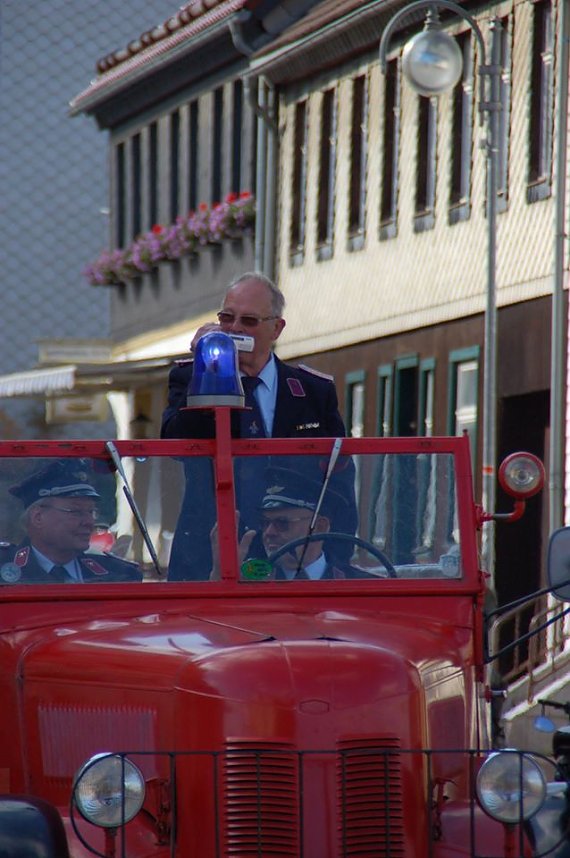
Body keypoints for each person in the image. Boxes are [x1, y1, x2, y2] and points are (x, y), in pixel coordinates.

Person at [161, 271, 356, 580]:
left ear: (276, 329)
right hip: (211, 553)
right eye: (227, 318)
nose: (234, 329)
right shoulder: (190, 377)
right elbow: (175, 443)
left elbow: (339, 476)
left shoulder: (312, 390)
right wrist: (209, 373)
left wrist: (335, 556)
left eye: (248, 322)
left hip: (294, 553)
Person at [211, 467, 372, 581]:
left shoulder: (361, 586)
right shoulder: (249, 585)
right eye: (264, 523)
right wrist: (223, 577)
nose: (269, 532)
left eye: (282, 523)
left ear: (320, 526)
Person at [0, 460, 142, 585]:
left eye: (91, 512)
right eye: (76, 512)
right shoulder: (4, 567)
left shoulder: (119, 575)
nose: (89, 522)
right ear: (38, 517)